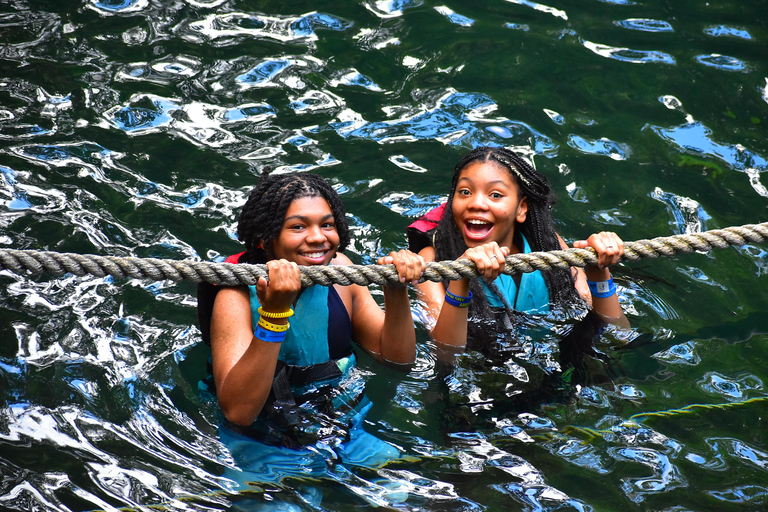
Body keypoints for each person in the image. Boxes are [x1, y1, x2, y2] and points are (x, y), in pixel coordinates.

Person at [198, 171, 425, 478]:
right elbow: (239, 412)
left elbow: (396, 361)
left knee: (407, 489)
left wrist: (395, 290)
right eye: (298, 227)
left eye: (327, 224)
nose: (318, 237)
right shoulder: (235, 292)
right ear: (266, 239)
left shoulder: (342, 272)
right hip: (258, 439)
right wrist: (275, 313)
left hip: (342, 425)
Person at [408, 146, 629, 351]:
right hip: (484, 376)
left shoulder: (546, 247)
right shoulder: (433, 262)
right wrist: (461, 275)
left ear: (521, 208)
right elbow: (447, 353)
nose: (476, 203)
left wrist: (598, 269)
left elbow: (618, 332)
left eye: (495, 194)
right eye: (465, 191)